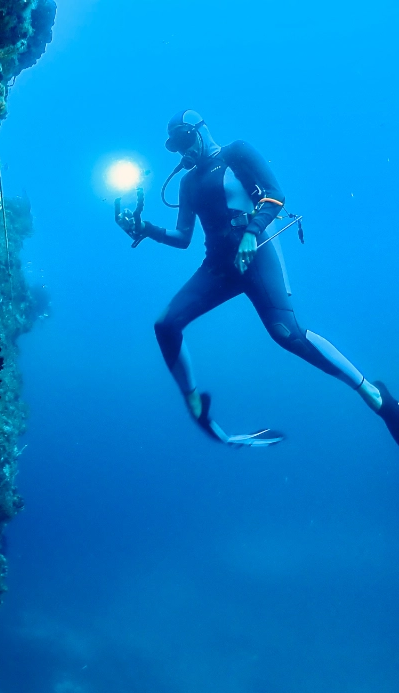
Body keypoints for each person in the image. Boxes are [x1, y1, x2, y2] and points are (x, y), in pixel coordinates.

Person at [115, 109, 399, 447]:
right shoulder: (187, 182)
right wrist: (145, 229)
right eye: (176, 147)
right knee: (165, 326)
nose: (183, 151)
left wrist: (251, 231)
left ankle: (375, 396)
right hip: (218, 267)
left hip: (257, 256)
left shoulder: (236, 152)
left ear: (201, 130)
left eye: (186, 140)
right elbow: (182, 237)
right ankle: (195, 405)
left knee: (286, 334)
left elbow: (277, 194)